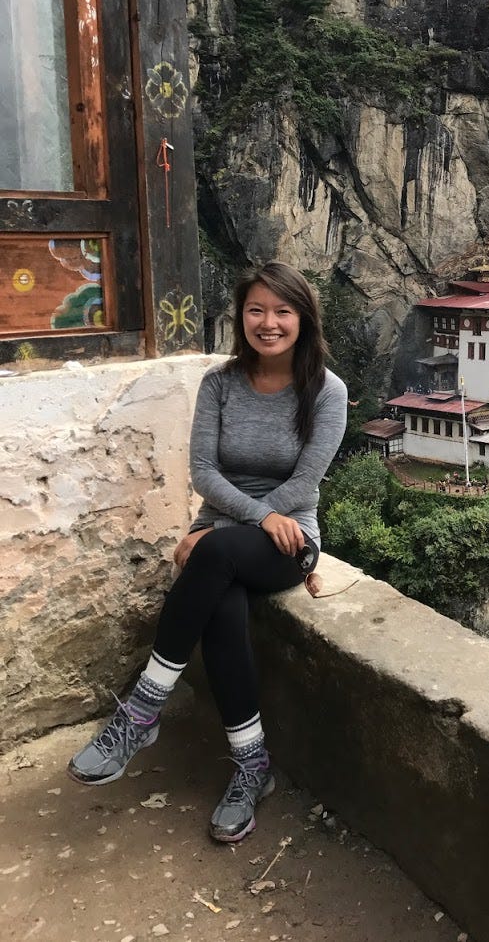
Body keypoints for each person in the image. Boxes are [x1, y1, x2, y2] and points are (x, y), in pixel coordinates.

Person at [67, 262, 348, 843]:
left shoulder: (327, 390)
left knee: (212, 555)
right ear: (240, 316)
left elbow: (305, 482)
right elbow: (203, 471)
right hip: (224, 534)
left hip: (291, 540)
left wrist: (250, 521)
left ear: (303, 318)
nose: (268, 323)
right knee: (222, 609)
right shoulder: (219, 383)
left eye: (282, 311)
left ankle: (141, 711)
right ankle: (253, 766)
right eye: (256, 310)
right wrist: (225, 524)